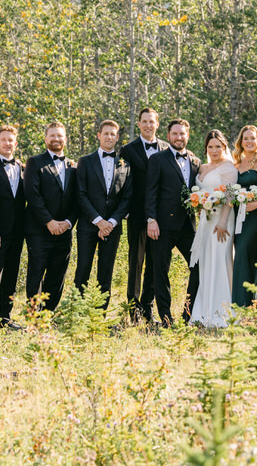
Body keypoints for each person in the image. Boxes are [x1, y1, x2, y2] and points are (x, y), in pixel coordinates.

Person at [144, 118, 200, 326]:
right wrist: (151, 219)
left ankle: (188, 314)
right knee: (161, 272)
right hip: (162, 226)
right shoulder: (158, 159)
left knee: (198, 268)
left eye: (182, 134)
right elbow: (150, 191)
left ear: (187, 135)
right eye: (175, 134)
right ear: (168, 137)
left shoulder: (196, 162)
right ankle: (166, 318)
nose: (178, 137)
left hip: (188, 227)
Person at [74, 118, 131, 304]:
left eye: (112, 134)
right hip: (88, 225)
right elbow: (80, 194)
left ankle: (100, 316)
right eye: (105, 133)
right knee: (83, 269)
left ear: (117, 138)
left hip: (113, 227)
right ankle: (78, 313)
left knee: (106, 272)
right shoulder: (85, 161)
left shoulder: (125, 164)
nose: (109, 137)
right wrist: (98, 221)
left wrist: (112, 222)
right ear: (99, 135)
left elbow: (127, 197)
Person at [23, 120, 78, 311]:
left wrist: (69, 222)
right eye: (52, 135)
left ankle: (49, 313)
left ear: (65, 139)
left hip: (64, 230)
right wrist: (49, 221)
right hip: (39, 229)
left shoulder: (74, 166)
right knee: (36, 273)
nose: (56, 139)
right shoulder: (35, 162)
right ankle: (34, 316)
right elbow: (32, 194)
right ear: (46, 138)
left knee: (58, 274)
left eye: (60, 135)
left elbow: (77, 199)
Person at [189, 129, 237, 327]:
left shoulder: (229, 167)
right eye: (210, 146)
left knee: (220, 259)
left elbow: (230, 195)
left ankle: (222, 311)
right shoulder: (202, 167)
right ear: (206, 148)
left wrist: (223, 221)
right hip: (206, 220)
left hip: (221, 220)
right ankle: (203, 312)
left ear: (224, 147)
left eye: (218, 146)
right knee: (207, 261)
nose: (214, 150)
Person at [121, 107, 165, 322]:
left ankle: (148, 308)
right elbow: (122, 182)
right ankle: (134, 310)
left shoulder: (167, 148)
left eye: (152, 121)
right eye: (144, 121)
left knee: (156, 262)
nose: (148, 125)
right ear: (139, 124)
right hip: (137, 215)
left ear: (157, 124)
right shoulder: (127, 150)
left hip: (161, 216)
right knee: (136, 263)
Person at [0, 124, 27, 325]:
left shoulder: (22, 167)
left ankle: (5, 318)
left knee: (11, 276)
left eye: (11, 140)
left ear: (15, 143)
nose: (7, 143)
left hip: (18, 232)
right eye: (4, 140)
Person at [230, 124, 257, 307]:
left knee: (246, 255)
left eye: (253, 138)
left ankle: (245, 303)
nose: (249, 141)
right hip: (236, 217)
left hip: (256, 217)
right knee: (241, 254)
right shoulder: (235, 163)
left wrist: (253, 206)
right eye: (246, 138)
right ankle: (246, 303)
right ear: (241, 141)